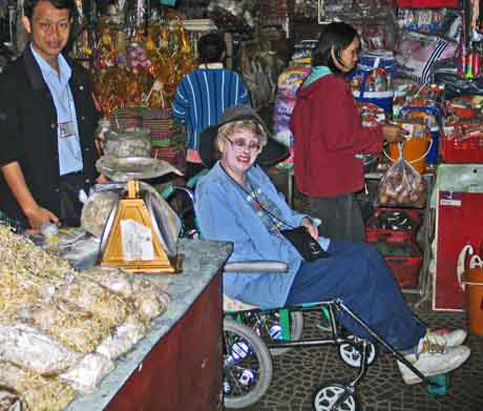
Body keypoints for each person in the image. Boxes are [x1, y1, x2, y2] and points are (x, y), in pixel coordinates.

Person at [195, 105, 471, 385]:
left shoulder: (253, 175)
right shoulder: (212, 189)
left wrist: (303, 221)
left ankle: (420, 337)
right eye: (239, 142)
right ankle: (412, 352)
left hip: (292, 253)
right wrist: (292, 250)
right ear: (221, 143)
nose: (247, 151)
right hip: (264, 274)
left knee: (368, 256)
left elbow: (283, 214)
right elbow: (233, 252)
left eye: (253, 145)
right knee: (354, 272)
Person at [290, 22, 403, 242]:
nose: (356, 58)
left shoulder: (312, 81)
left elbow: (308, 127)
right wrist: (382, 134)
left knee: (331, 245)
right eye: (353, 51)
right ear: (334, 51)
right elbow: (341, 139)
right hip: (332, 182)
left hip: (315, 180)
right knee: (346, 249)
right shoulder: (332, 86)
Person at [0, 0, 100, 232]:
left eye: (62, 25)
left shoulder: (78, 76)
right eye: (45, 25)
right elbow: (5, 151)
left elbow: (86, 136)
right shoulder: (13, 80)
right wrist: (30, 208)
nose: (54, 34)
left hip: (78, 192)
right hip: (37, 199)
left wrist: (100, 177)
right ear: (27, 23)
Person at [173, 32, 251, 179]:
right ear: (222, 54)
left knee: (200, 197)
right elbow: (246, 114)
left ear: (199, 54)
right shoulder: (234, 80)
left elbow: (178, 115)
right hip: (229, 153)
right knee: (227, 198)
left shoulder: (188, 81)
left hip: (197, 154)